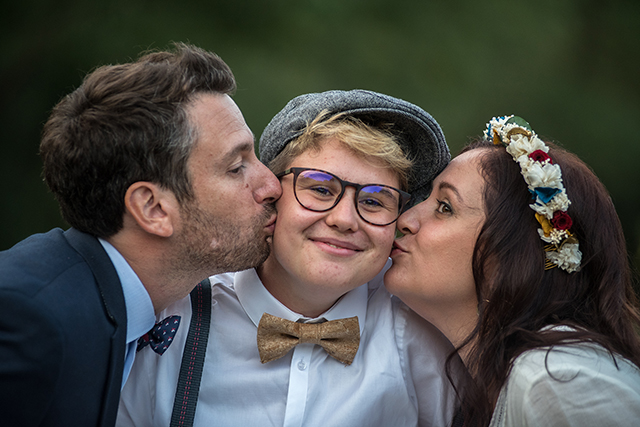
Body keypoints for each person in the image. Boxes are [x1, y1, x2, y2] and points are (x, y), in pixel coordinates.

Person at [118, 89, 458, 427]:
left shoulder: (425, 337)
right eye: (321, 190)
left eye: (373, 202)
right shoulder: (171, 319)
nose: (344, 219)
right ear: (272, 196)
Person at [0, 43, 281, 427]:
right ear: (153, 209)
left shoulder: (108, 301)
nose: (271, 185)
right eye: (236, 167)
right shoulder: (26, 319)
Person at [386, 115, 640, 426]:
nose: (405, 220)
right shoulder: (489, 385)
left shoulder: (557, 381)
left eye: (445, 207)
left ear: (514, 255)